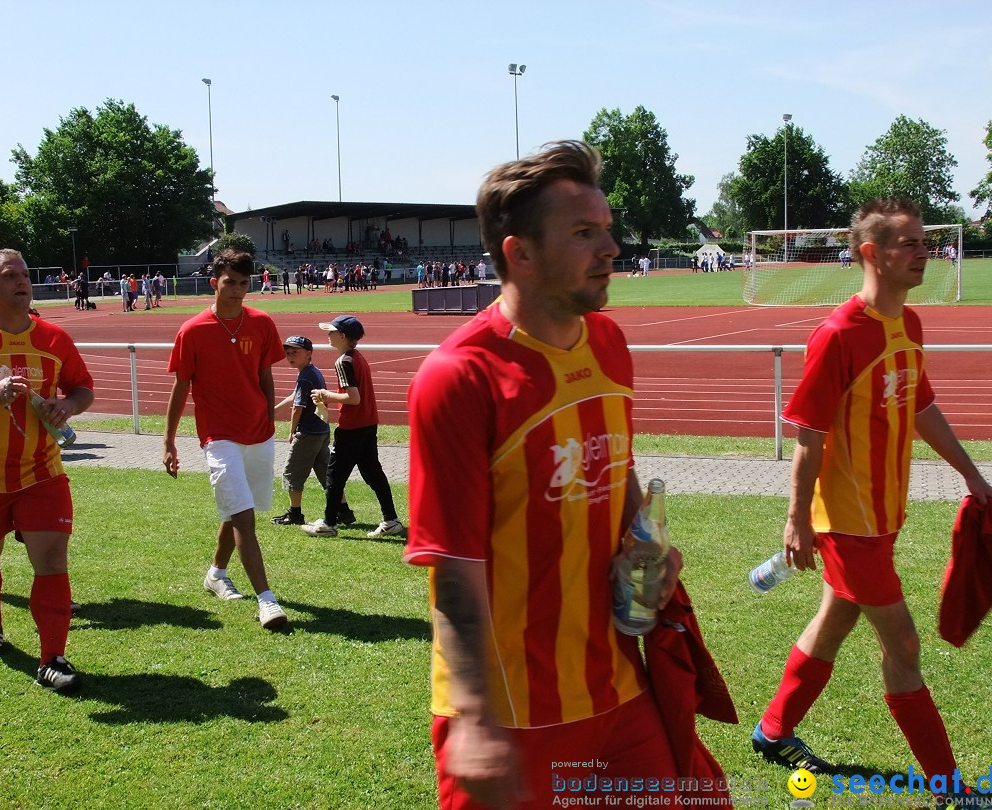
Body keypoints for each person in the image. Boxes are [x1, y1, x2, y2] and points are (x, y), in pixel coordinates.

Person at [402, 141, 728, 809]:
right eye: (584, 233)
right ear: (520, 253)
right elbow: (453, 566)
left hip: (618, 685)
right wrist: (472, 717)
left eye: (606, 228)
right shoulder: (459, 377)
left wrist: (645, 542)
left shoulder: (608, 342)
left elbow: (616, 463)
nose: (610, 247)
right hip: (513, 711)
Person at [751, 198, 992, 806]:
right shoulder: (839, 334)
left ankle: (773, 730)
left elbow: (921, 406)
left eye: (923, 242)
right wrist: (796, 521)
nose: (924, 252)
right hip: (848, 523)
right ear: (872, 254)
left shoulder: (909, 326)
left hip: (883, 517)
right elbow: (808, 436)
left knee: (835, 619)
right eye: (909, 244)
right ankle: (951, 791)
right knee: (904, 647)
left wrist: (971, 472)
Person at [0, 249, 95, 692]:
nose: (22, 281)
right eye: (11, 275)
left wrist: (67, 404)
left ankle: (53, 658)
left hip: (41, 471)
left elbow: (82, 388)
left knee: (51, 560)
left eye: (25, 274)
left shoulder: (53, 338)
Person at [163, 248, 288, 630]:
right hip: (218, 437)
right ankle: (267, 601)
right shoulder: (192, 330)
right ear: (214, 281)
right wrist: (168, 441)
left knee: (240, 508)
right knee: (245, 518)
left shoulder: (263, 323)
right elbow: (180, 387)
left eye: (244, 283)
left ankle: (216, 573)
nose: (237, 290)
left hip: (258, 433)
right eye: (230, 282)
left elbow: (265, 376)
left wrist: (268, 419)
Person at [300, 315, 403, 539]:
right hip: (367, 424)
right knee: (373, 473)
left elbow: (353, 398)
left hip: (352, 427)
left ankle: (328, 523)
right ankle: (391, 520)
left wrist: (324, 394)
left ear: (343, 336)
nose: (328, 335)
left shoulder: (344, 361)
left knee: (334, 475)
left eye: (331, 332)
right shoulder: (356, 357)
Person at [269, 335, 355, 527]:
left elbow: (297, 407)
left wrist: (292, 431)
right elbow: (294, 396)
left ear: (308, 354)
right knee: (327, 473)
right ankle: (344, 511)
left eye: (295, 352)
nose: (290, 356)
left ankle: (295, 513)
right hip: (321, 431)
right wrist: (272, 412)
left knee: (292, 473)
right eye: (288, 353)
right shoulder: (311, 372)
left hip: (308, 433)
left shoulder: (306, 375)